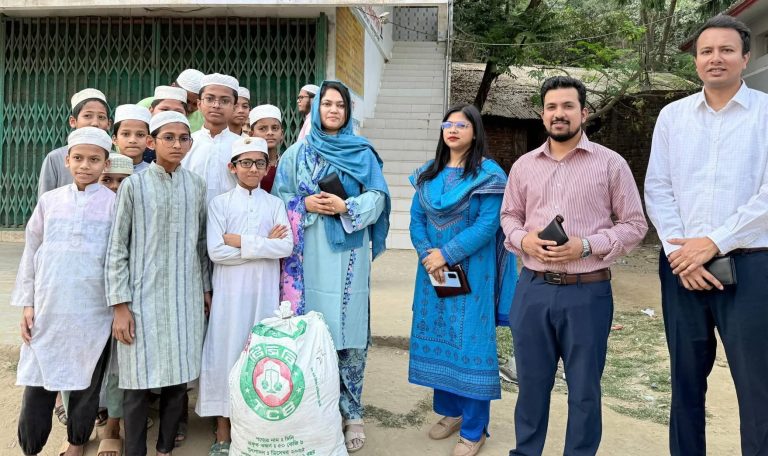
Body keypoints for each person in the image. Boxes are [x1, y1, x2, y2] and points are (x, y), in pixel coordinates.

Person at [500, 76, 647, 456]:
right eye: (551, 107)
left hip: (588, 292)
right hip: (532, 290)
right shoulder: (523, 166)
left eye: (567, 106)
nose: (559, 114)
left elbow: (635, 225)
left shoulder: (610, 164)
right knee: (531, 386)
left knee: (584, 389)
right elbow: (509, 217)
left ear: (584, 112)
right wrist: (524, 240)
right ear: (542, 114)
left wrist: (585, 247)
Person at [644, 15, 768, 456]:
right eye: (707, 51)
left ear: (745, 57)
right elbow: (657, 186)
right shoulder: (673, 116)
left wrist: (711, 243)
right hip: (681, 269)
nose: (716, 58)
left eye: (726, 50)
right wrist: (684, 252)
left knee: (758, 386)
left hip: (751, 267)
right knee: (685, 382)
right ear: (696, 60)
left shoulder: (766, 114)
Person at [272, 80, 390, 453]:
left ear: (348, 112)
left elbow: (379, 196)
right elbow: (279, 200)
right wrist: (304, 206)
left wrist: (348, 208)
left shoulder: (363, 153)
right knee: (311, 331)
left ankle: (352, 412)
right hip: (307, 253)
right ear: (316, 109)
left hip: (349, 255)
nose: (334, 110)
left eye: (340, 105)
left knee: (350, 333)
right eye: (327, 104)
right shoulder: (296, 154)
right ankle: (315, 409)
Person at [408, 104, 516, 456]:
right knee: (441, 336)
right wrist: (429, 255)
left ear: (475, 132)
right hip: (432, 274)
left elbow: (488, 225)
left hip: (472, 273)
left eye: (462, 125)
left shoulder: (488, 175)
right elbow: (416, 220)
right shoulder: (428, 174)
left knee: (470, 344)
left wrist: (447, 253)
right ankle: (453, 413)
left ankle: (475, 428)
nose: (453, 130)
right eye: (448, 124)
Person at [105, 111, 211, 456]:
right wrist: (120, 306)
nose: (177, 144)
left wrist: (205, 290)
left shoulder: (196, 185)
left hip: (184, 299)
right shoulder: (134, 185)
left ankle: (165, 450)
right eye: (169, 138)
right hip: (140, 301)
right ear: (152, 143)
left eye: (184, 138)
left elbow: (200, 244)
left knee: (177, 384)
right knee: (135, 386)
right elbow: (117, 246)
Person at [13, 127, 116, 456]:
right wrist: (27, 304)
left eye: (94, 159)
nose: (86, 165)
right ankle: (31, 447)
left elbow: (117, 259)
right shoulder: (50, 201)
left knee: (87, 382)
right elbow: (31, 251)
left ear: (105, 163)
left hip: (94, 310)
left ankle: (76, 442)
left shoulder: (114, 204)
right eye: (79, 158)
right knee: (38, 384)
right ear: (67, 161)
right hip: (49, 306)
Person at [197, 136, 293, 455]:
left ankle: (255, 426)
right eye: (246, 163)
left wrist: (242, 241)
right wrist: (263, 244)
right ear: (233, 167)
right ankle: (223, 426)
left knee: (261, 355)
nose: (253, 169)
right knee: (227, 352)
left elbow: (286, 246)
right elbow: (216, 251)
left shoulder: (274, 204)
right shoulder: (220, 204)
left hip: (264, 292)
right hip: (229, 294)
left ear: (267, 167)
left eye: (260, 163)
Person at [38, 88, 111, 196]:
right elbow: (44, 201)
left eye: (101, 117)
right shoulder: (54, 158)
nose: (95, 123)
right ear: (73, 121)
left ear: (108, 124)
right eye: (87, 116)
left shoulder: (114, 157)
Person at [182, 73, 241, 204]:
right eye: (209, 99)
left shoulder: (242, 145)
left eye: (225, 101)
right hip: (192, 217)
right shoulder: (185, 143)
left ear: (234, 107)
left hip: (231, 219)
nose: (216, 105)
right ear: (199, 104)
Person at [138, 68, 205, 133]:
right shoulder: (144, 106)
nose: (189, 108)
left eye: (195, 104)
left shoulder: (203, 116)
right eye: (186, 101)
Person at [248, 104, 284, 193]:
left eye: (275, 128)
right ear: (251, 134)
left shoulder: (287, 162)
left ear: (282, 134)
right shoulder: (246, 165)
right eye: (262, 129)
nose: (270, 133)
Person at [112, 104, 151, 174]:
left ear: (149, 141)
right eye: (126, 134)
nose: (133, 140)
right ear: (115, 139)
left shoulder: (154, 173)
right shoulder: (104, 170)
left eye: (140, 135)